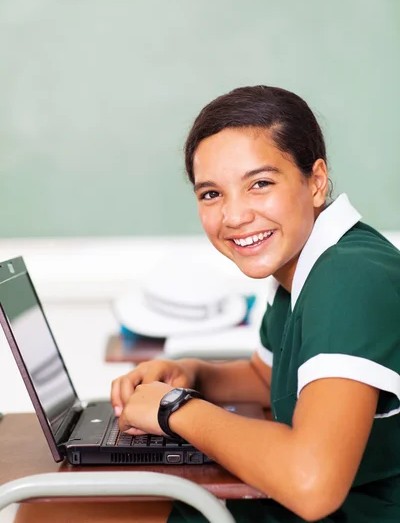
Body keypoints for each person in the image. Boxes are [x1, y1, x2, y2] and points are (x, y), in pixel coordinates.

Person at [110, 86, 400, 523]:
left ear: (315, 181)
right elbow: (269, 377)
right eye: (211, 194)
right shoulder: (302, 264)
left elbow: (311, 483)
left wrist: (175, 410)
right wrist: (194, 373)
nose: (234, 216)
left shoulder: (348, 278)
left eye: (259, 184)